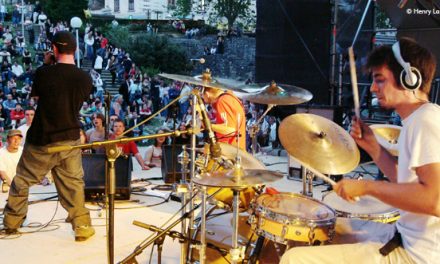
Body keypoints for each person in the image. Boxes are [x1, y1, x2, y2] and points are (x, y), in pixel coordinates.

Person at [281, 38, 440, 263]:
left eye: (380, 80)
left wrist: (366, 186)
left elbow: (435, 200)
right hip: (402, 236)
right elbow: (406, 182)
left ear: (409, 78)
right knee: (328, 226)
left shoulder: (425, 121)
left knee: (294, 259)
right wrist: (374, 149)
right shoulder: (418, 119)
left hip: (416, 256)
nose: (374, 88)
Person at [2, 31, 95, 241]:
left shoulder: (44, 73)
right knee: (73, 184)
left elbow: (37, 96)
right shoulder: (84, 77)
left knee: (22, 181)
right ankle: (81, 226)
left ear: (54, 49)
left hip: (41, 139)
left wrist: (47, 64)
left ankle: (11, 223)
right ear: (76, 50)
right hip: (70, 138)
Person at [202, 86, 246, 150]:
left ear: (207, 94)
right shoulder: (228, 98)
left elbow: (230, 130)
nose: (203, 99)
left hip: (231, 150)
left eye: (202, 96)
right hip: (234, 149)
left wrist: (208, 125)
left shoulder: (223, 101)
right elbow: (227, 122)